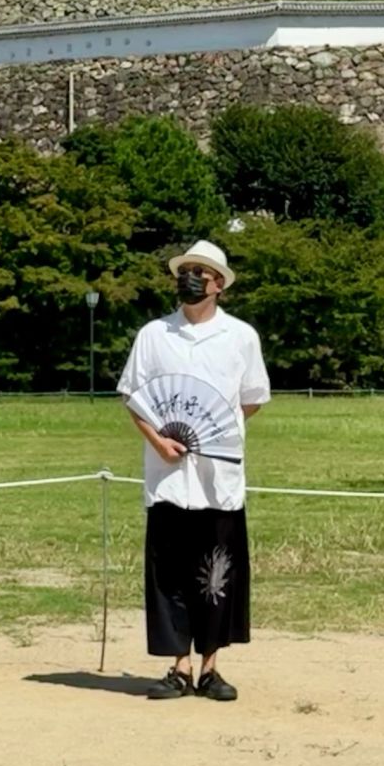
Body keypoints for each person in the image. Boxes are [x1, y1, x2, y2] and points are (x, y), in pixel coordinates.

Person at [117, 239, 270, 702]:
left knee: (216, 572)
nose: (192, 278)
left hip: (217, 481)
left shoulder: (241, 336)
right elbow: (134, 397)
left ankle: (211, 668)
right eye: (186, 270)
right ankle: (178, 667)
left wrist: (216, 436)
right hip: (167, 479)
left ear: (219, 283)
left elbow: (251, 400)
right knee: (169, 573)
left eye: (202, 272)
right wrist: (158, 442)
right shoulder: (153, 334)